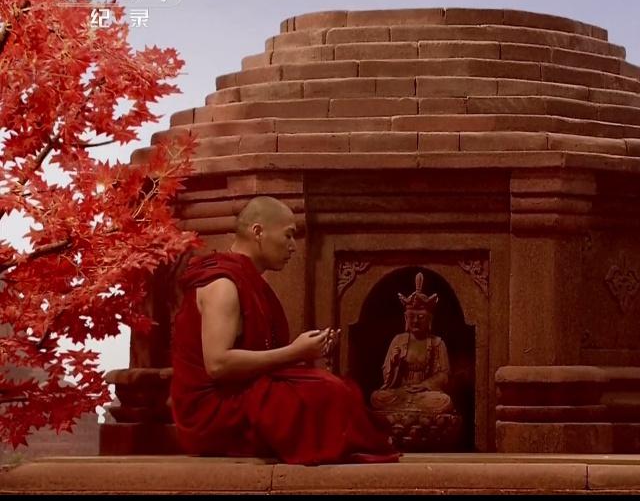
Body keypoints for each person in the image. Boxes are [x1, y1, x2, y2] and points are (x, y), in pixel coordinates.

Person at [169, 196, 399, 465]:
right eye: (288, 236)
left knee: (337, 387)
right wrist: (294, 352)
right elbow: (218, 364)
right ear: (258, 232)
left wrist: (303, 352)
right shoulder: (223, 283)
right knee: (328, 393)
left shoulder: (251, 281)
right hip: (213, 410)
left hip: (242, 392)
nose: (293, 247)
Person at [370, 272, 454, 414]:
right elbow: (387, 376)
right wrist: (394, 362)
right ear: (405, 318)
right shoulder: (398, 340)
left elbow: (444, 375)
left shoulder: (437, 343)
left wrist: (425, 385)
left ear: (430, 320)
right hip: (400, 393)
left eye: (420, 317)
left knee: (444, 401)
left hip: (424, 394)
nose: (415, 321)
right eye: (412, 317)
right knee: (377, 397)